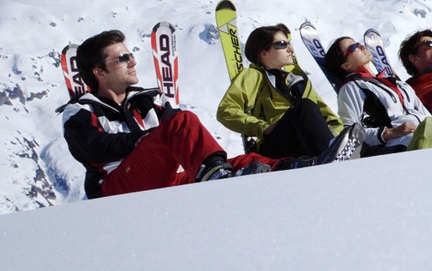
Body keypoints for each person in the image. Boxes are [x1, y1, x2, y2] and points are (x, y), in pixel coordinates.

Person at [60, 30, 362, 199]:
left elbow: (178, 141)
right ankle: (217, 178)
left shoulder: (147, 101)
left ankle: (304, 166)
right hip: (116, 189)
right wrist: (146, 140)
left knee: (246, 161)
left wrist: (154, 137)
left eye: (130, 55)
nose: (132, 61)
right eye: (122, 58)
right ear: (99, 71)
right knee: (182, 123)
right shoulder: (81, 110)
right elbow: (94, 149)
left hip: (164, 180)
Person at [322, 36, 432, 154]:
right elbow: (350, 135)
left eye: (358, 43)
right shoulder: (352, 87)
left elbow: (426, 117)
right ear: (346, 66)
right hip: (403, 141)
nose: (361, 46)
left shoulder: (399, 84)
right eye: (353, 47)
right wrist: (390, 132)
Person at [217, 24, 343, 157]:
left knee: (307, 106)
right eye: (282, 44)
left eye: (289, 44)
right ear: (263, 52)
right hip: (275, 145)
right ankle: (331, 154)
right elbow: (226, 111)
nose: (290, 49)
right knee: (303, 106)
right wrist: (262, 127)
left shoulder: (299, 81)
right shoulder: (254, 76)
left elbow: (330, 118)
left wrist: (334, 136)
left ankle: (334, 151)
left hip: (309, 144)